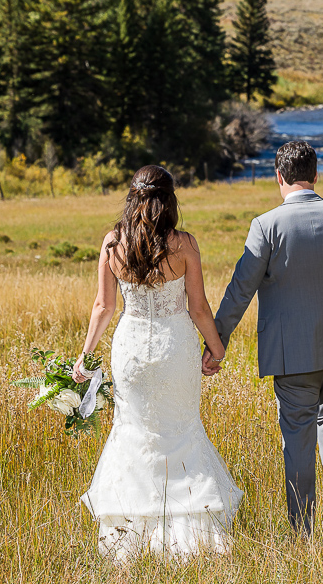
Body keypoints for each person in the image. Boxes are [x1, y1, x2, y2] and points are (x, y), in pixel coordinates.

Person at [208, 140, 323, 534]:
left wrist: (216, 342)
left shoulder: (266, 225)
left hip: (291, 354)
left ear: (278, 176)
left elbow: (240, 290)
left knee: (298, 437)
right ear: (316, 174)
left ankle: (302, 528)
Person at [72, 165, 242, 561]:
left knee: (132, 431)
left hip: (130, 350)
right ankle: (192, 536)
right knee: (180, 429)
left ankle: (127, 537)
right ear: (170, 201)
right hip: (175, 348)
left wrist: (85, 353)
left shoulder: (113, 243)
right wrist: (216, 349)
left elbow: (104, 307)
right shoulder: (183, 244)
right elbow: (198, 309)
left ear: (132, 197)